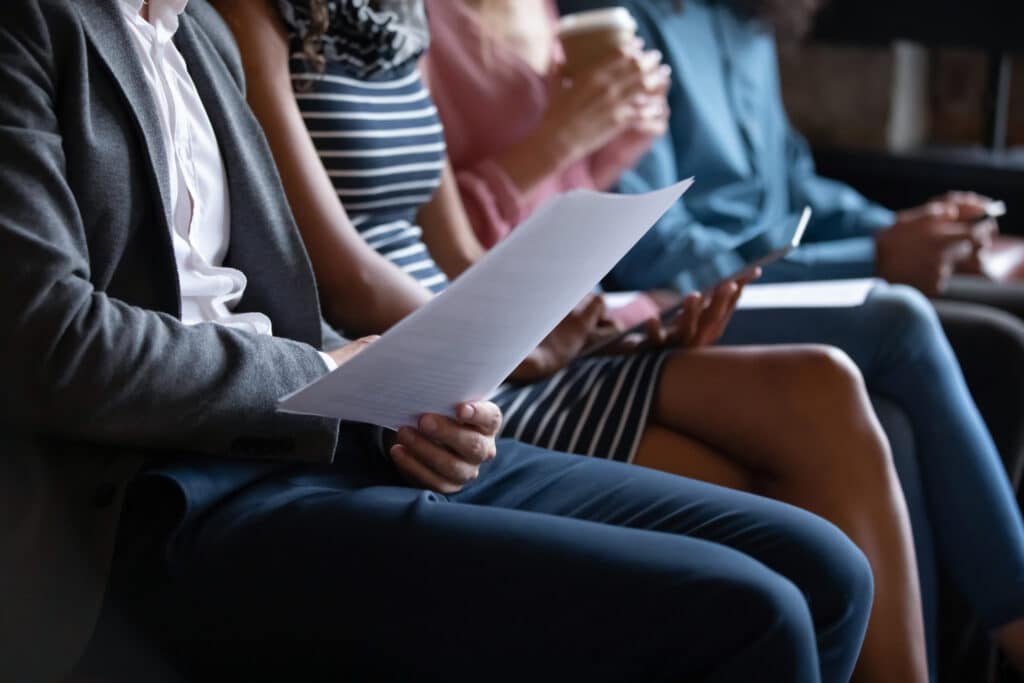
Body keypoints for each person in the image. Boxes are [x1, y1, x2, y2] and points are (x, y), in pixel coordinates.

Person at [0, 1, 878, 682]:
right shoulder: (36, 27)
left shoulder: (200, 41)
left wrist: (414, 401)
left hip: (316, 431)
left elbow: (290, 305)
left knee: (826, 567)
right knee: (755, 609)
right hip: (156, 493)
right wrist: (327, 376)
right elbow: (53, 345)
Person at [556, 0, 1024, 675]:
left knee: (1002, 346)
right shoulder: (633, 24)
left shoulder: (756, 25)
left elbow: (794, 188)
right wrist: (874, 258)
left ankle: (969, 653)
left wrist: (906, 227)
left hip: (783, 277)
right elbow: (654, 247)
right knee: (901, 321)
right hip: (686, 298)